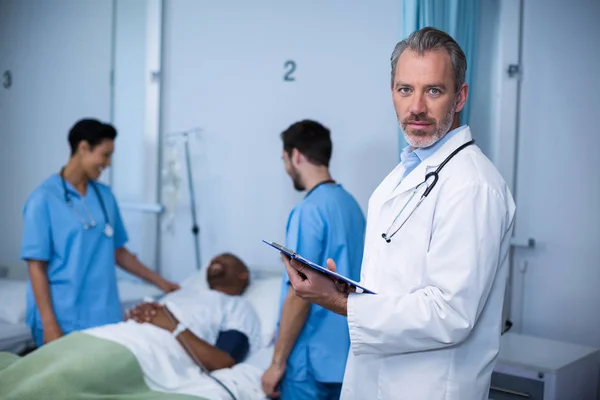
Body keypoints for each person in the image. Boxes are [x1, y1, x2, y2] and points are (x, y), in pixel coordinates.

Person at [281, 27, 517, 400]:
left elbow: (450, 312)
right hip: (379, 379)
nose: (417, 107)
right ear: (392, 92)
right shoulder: (403, 174)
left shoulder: (473, 185)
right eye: (405, 89)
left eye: (434, 90)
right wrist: (351, 288)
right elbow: (401, 279)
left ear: (460, 97)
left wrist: (341, 303)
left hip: (428, 387)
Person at [0, 253, 261, 400]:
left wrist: (174, 327)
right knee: (34, 367)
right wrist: (139, 314)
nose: (217, 259)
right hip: (110, 335)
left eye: (227, 259)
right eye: (216, 257)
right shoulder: (182, 293)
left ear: (243, 275)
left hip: (149, 352)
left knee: (56, 381)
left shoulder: (236, 307)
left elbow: (224, 361)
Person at [20, 118, 180, 348]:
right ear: (83, 148)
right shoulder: (43, 199)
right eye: (105, 155)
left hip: (104, 314)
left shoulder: (104, 196)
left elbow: (119, 252)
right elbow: (36, 267)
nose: (108, 163)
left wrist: (162, 283)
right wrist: (49, 324)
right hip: (62, 316)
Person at [261, 120, 366, 399]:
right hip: (346, 358)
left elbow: (299, 294)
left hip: (309, 366)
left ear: (295, 155)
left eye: (284, 159)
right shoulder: (352, 206)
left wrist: (276, 363)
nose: (286, 168)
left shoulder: (308, 212)